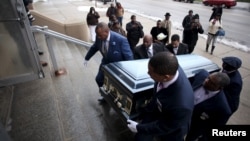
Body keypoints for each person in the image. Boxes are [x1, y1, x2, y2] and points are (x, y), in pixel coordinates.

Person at [127, 51, 194, 141]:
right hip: (159, 111)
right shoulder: (170, 68)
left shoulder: (181, 105)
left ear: (166, 77)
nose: (148, 73)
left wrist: (138, 128)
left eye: (151, 73)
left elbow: (164, 126)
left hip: (172, 129)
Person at [84, 22, 134, 102]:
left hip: (118, 67)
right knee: (99, 79)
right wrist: (87, 58)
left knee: (116, 86)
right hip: (105, 63)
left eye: (100, 35)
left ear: (106, 32)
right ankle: (105, 95)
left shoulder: (121, 40)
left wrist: (129, 73)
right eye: (97, 35)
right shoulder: (98, 37)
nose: (99, 37)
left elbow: (129, 57)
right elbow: (94, 47)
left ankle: (114, 98)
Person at [185, 69, 231, 141]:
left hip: (193, 128)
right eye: (208, 78)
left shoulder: (222, 108)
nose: (206, 81)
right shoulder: (202, 75)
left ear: (220, 88)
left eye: (212, 83)